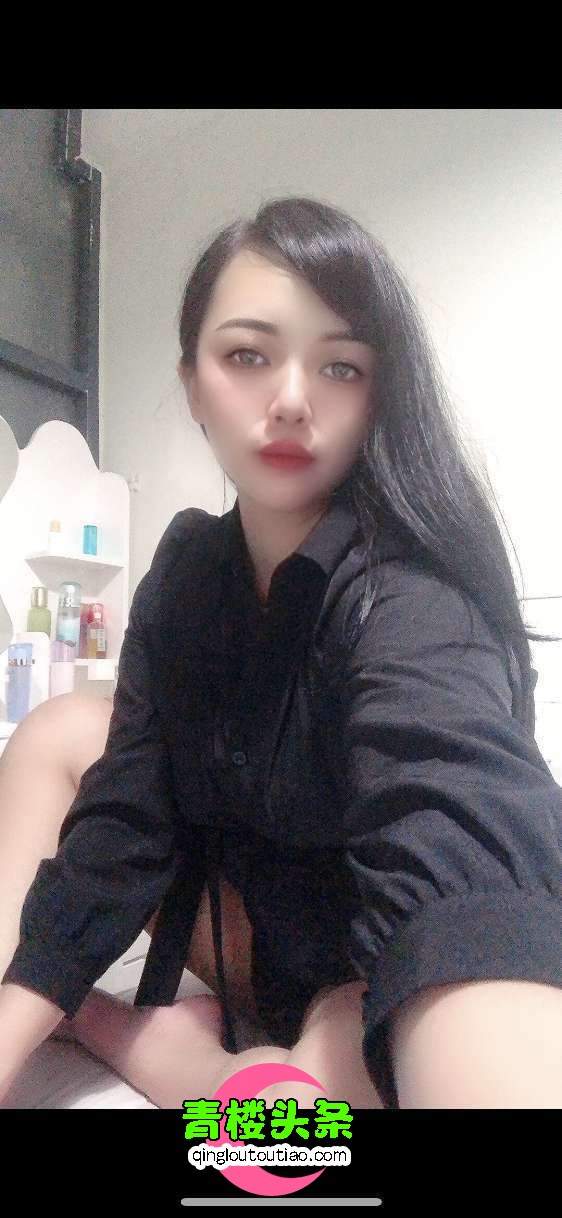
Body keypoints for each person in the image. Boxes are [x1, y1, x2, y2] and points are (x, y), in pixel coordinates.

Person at [1, 195, 561, 1110]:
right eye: (247, 356)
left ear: (377, 394)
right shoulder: (188, 572)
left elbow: (458, 825)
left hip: (360, 959)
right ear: (193, 383)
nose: (293, 400)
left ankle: (142, 1042)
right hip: (240, 925)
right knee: (61, 728)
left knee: (294, 1116)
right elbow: (127, 817)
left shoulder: (409, 593)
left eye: (340, 365)